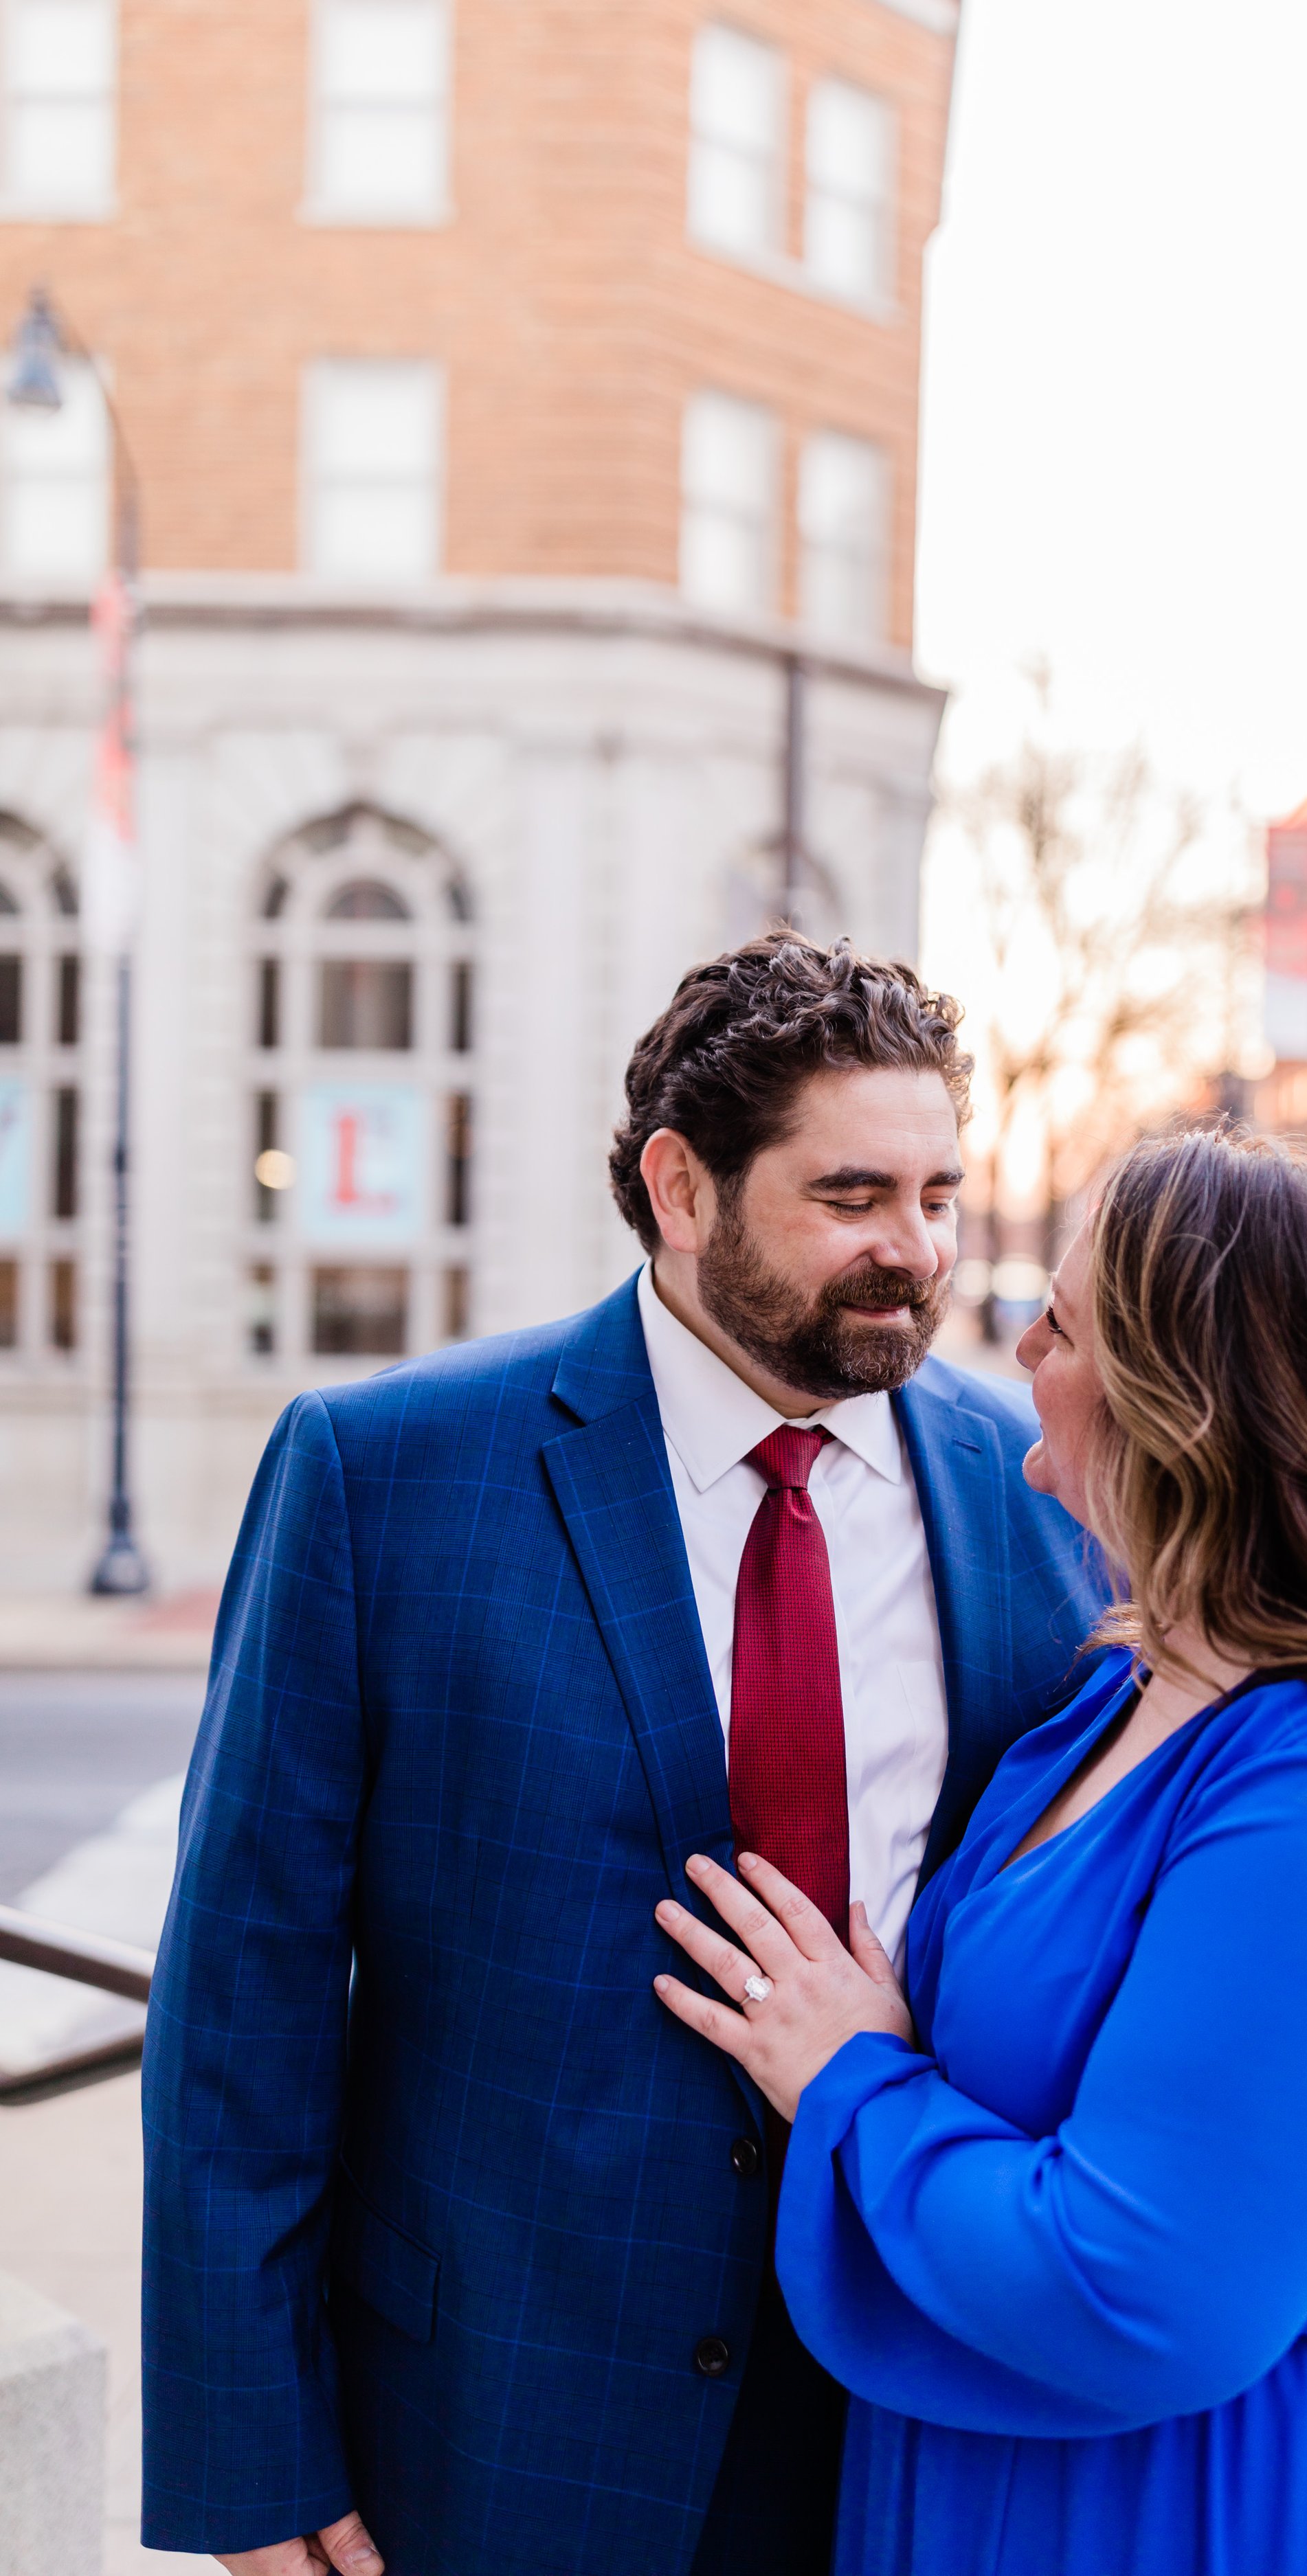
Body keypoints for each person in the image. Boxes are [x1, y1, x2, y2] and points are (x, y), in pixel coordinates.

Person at [140, 934, 1104, 2576]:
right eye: (852, 1196)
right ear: (680, 1186)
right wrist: (256, 2453)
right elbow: (246, 1995)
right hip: (504, 2416)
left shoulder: (1039, 1486)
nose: (916, 1254)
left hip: (925, 2407)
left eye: (940, 1195)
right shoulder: (387, 1477)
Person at [652, 1125, 1307, 2576]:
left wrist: (849, 2076)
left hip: (1263, 2505)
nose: (1014, 1337)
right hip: (1063, 2485)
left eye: (1066, 1321)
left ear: (1187, 1408)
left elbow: (1136, 2288)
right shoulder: (1125, 1680)